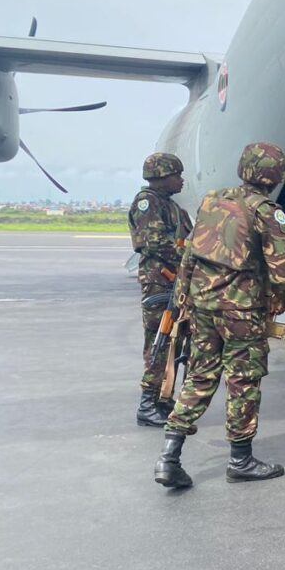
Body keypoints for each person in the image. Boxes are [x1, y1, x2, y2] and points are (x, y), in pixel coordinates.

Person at [154, 142, 285, 488]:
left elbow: (190, 253)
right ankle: (241, 460)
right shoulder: (268, 211)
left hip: (203, 306)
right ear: (274, 174)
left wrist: (186, 295)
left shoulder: (213, 201)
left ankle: (168, 457)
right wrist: (278, 301)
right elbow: (281, 271)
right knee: (243, 381)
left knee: (200, 377)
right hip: (242, 311)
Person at [128, 152, 192, 427]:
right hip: (159, 281)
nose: (181, 180)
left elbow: (189, 238)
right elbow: (154, 243)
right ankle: (147, 404)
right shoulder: (147, 203)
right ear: (162, 177)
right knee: (158, 341)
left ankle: (164, 400)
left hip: (175, 283)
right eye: (176, 174)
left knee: (174, 343)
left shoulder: (174, 208)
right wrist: (187, 260)